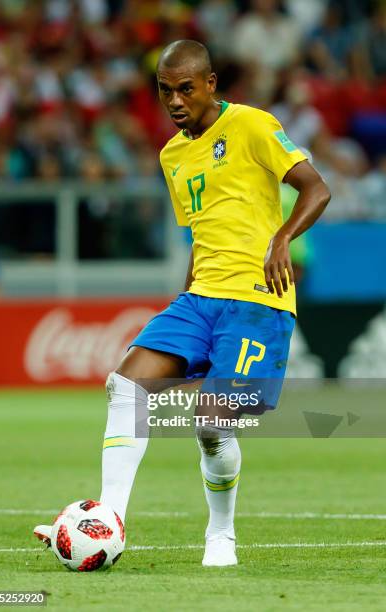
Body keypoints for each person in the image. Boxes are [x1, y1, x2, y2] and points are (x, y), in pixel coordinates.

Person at [34, 40, 331, 567]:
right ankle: (111, 521)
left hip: (257, 300)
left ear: (210, 85)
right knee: (125, 385)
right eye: (165, 90)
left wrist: (283, 237)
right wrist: (184, 291)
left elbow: (316, 189)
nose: (175, 101)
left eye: (186, 89)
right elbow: (200, 231)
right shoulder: (172, 154)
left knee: (211, 422)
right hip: (200, 298)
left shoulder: (252, 126)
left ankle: (222, 534)